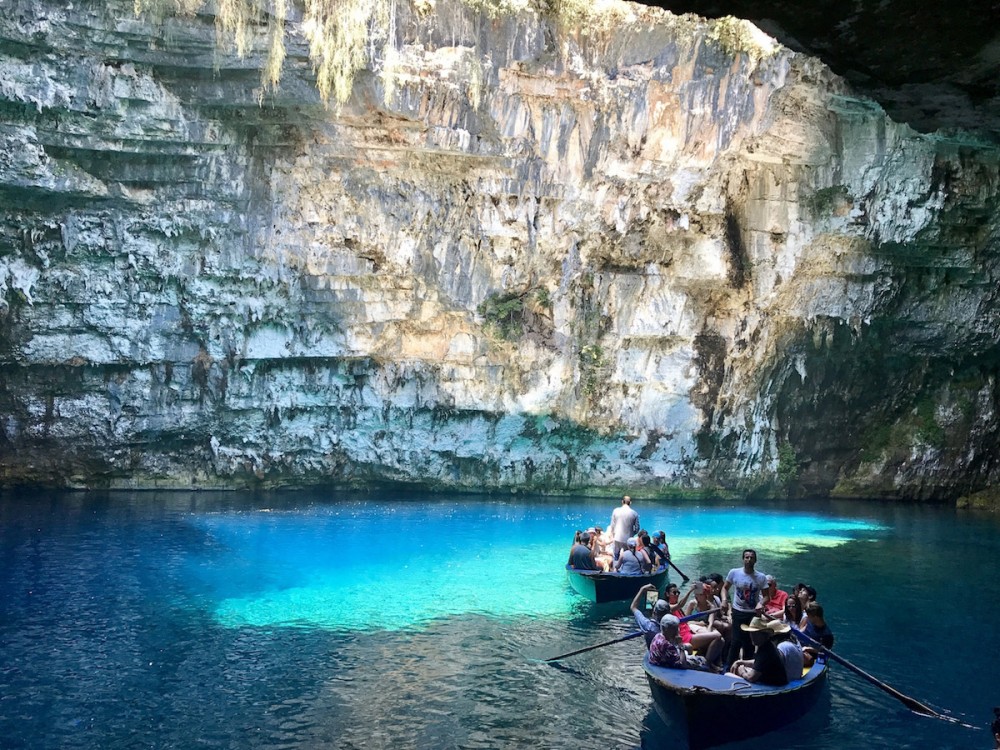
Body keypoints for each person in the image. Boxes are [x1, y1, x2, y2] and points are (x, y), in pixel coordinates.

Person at [722, 549, 769, 669]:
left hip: (753, 613)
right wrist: (724, 600)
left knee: (750, 642)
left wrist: (761, 603)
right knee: (735, 641)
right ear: (743, 559)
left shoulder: (761, 577)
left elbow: (767, 596)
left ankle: (747, 667)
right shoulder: (734, 573)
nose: (749, 560)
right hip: (738, 611)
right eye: (747, 557)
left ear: (755, 560)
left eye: (751, 557)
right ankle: (728, 667)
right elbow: (724, 588)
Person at [727, 616, 788, 686]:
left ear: (763, 635)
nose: (752, 636)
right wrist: (740, 662)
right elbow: (758, 662)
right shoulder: (767, 645)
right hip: (772, 683)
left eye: (756, 633)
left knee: (728, 675)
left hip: (772, 688)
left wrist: (742, 672)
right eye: (751, 633)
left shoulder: (766, 650)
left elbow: (751, 678)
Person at [649, 615, 714, 671]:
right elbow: (683, 664)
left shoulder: (658, 636)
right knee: (704, 666)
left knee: (694, 652)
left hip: (666, 662)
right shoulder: (666, 644)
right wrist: (680, 645)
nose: (677, 631)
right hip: (669, 668)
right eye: (674, 629)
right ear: (666, 629)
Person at [630, 583, 671, 647]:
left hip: (653, 654)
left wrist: (642, 589)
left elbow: (633, 607)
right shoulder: (672, 626)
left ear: (654, 612)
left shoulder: (648, 626)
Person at [609, 495, 639, 561]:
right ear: (630, 503)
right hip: (628, 538)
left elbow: (612, 525)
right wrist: (632, 534)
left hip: (617, 537)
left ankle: (615, 568)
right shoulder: (634, 513)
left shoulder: (615, 511)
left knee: (616, 555)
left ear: (622, 502)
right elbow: (637, 528)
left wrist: (613, 534)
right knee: (627, 555)